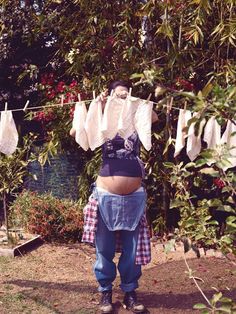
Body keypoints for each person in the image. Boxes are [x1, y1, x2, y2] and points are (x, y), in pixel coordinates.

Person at [70, 80, 158, 313]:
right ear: (109, 95)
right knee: (104, 248)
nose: (122, 97)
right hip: (105, 195)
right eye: (118, 93)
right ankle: (106, 294)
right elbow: (76, 132)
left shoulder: (135, 117)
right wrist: (96, 107)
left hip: (134, 198)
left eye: (125, 93)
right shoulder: (103, 116)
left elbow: (155, 118)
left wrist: (137, 103)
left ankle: (130, 292)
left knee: (132, 249)